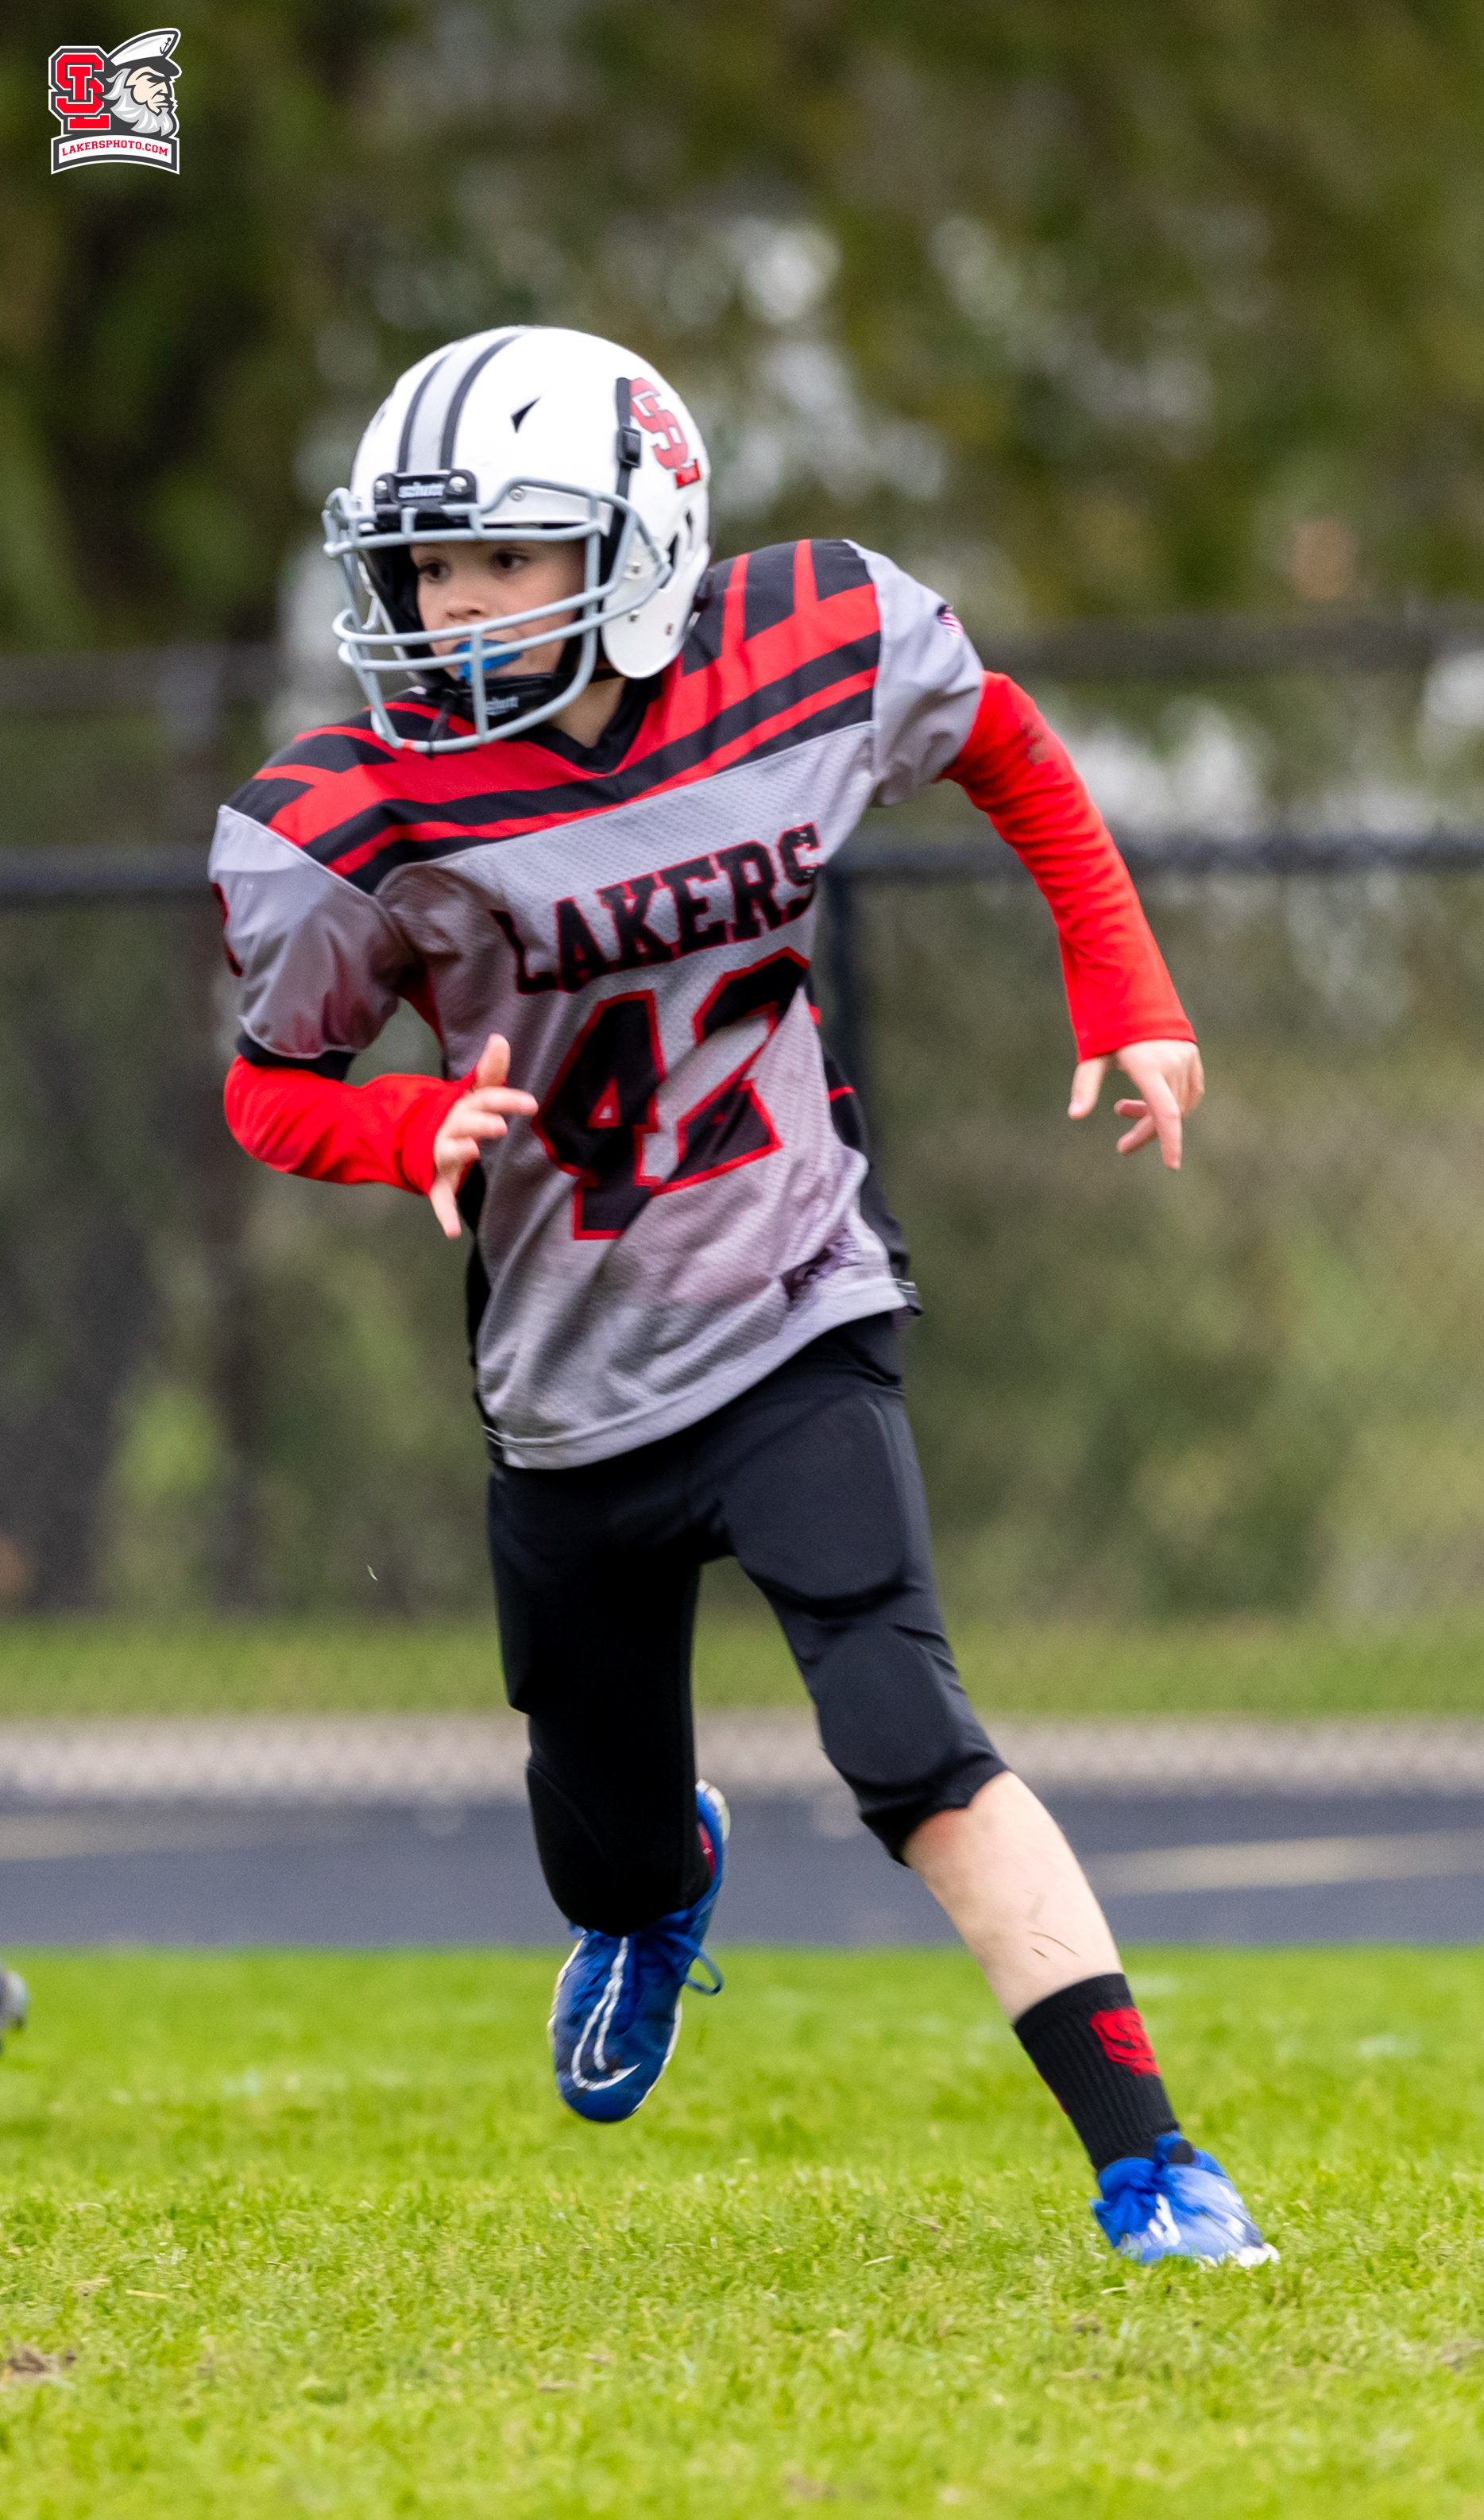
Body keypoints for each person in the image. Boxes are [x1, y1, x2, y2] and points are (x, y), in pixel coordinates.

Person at [210, 325, 1274, 2267]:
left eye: (504, 556)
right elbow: (267, 1087)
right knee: (599, 1842)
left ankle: (1153, 2165)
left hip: (794, 1300)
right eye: (428, 564)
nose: (450, 605)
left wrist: (1122, 986)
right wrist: (403, 1126)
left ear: (638, 543)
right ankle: (656, 1884)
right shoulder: (360, 810)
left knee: (911, 1737)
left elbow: (1007, 745)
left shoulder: (808, 647)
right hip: (566, 1379)